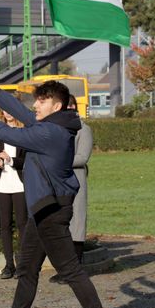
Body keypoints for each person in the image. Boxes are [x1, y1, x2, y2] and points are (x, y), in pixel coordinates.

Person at [0, 63, 118, 308]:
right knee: (27, 269)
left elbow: (10, 133)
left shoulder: (52, 134)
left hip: (51, 211)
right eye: (36, 99)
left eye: (42, 100)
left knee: (71, 270)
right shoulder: (50, 124)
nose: (35, 104)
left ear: (57, 105)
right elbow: (19, 110)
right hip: (42, 208)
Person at [50, 94, 93, 284]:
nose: (69, 108)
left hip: (75, 181)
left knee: (76, 224)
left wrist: (57, 161)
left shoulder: (84, 129)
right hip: (57, 182)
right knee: (61, 225)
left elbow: (82, 157)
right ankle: (64, 270)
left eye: (72, 105)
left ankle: (75, 270)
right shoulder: (55, 129)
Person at [0, 108, 27, 279]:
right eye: (5, 110)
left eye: (11, 109)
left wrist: (11, 160)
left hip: (20, 184)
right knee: (5, 225)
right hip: (2, 183)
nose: (8, 113)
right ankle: (9, 265)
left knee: (22, 224)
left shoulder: (25, 132)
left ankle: (24, 265)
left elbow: (27, 160)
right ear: (1, 113)